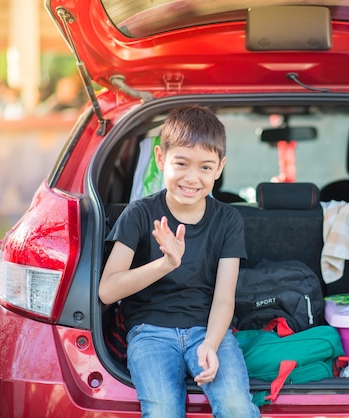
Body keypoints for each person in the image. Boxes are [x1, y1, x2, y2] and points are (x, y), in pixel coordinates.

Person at [99, 105, 260, 418]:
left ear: (220, 168)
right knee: (162, 411)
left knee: (237, 408)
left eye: (205, 167)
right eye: (181, 163)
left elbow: (225, 299)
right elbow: (107, 291)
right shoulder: (139, 214)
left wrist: (212, 344)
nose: (192, 178)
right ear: (161, 159)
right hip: (149, 332)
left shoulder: (228, 220)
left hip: (207, 329)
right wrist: (165, 264)